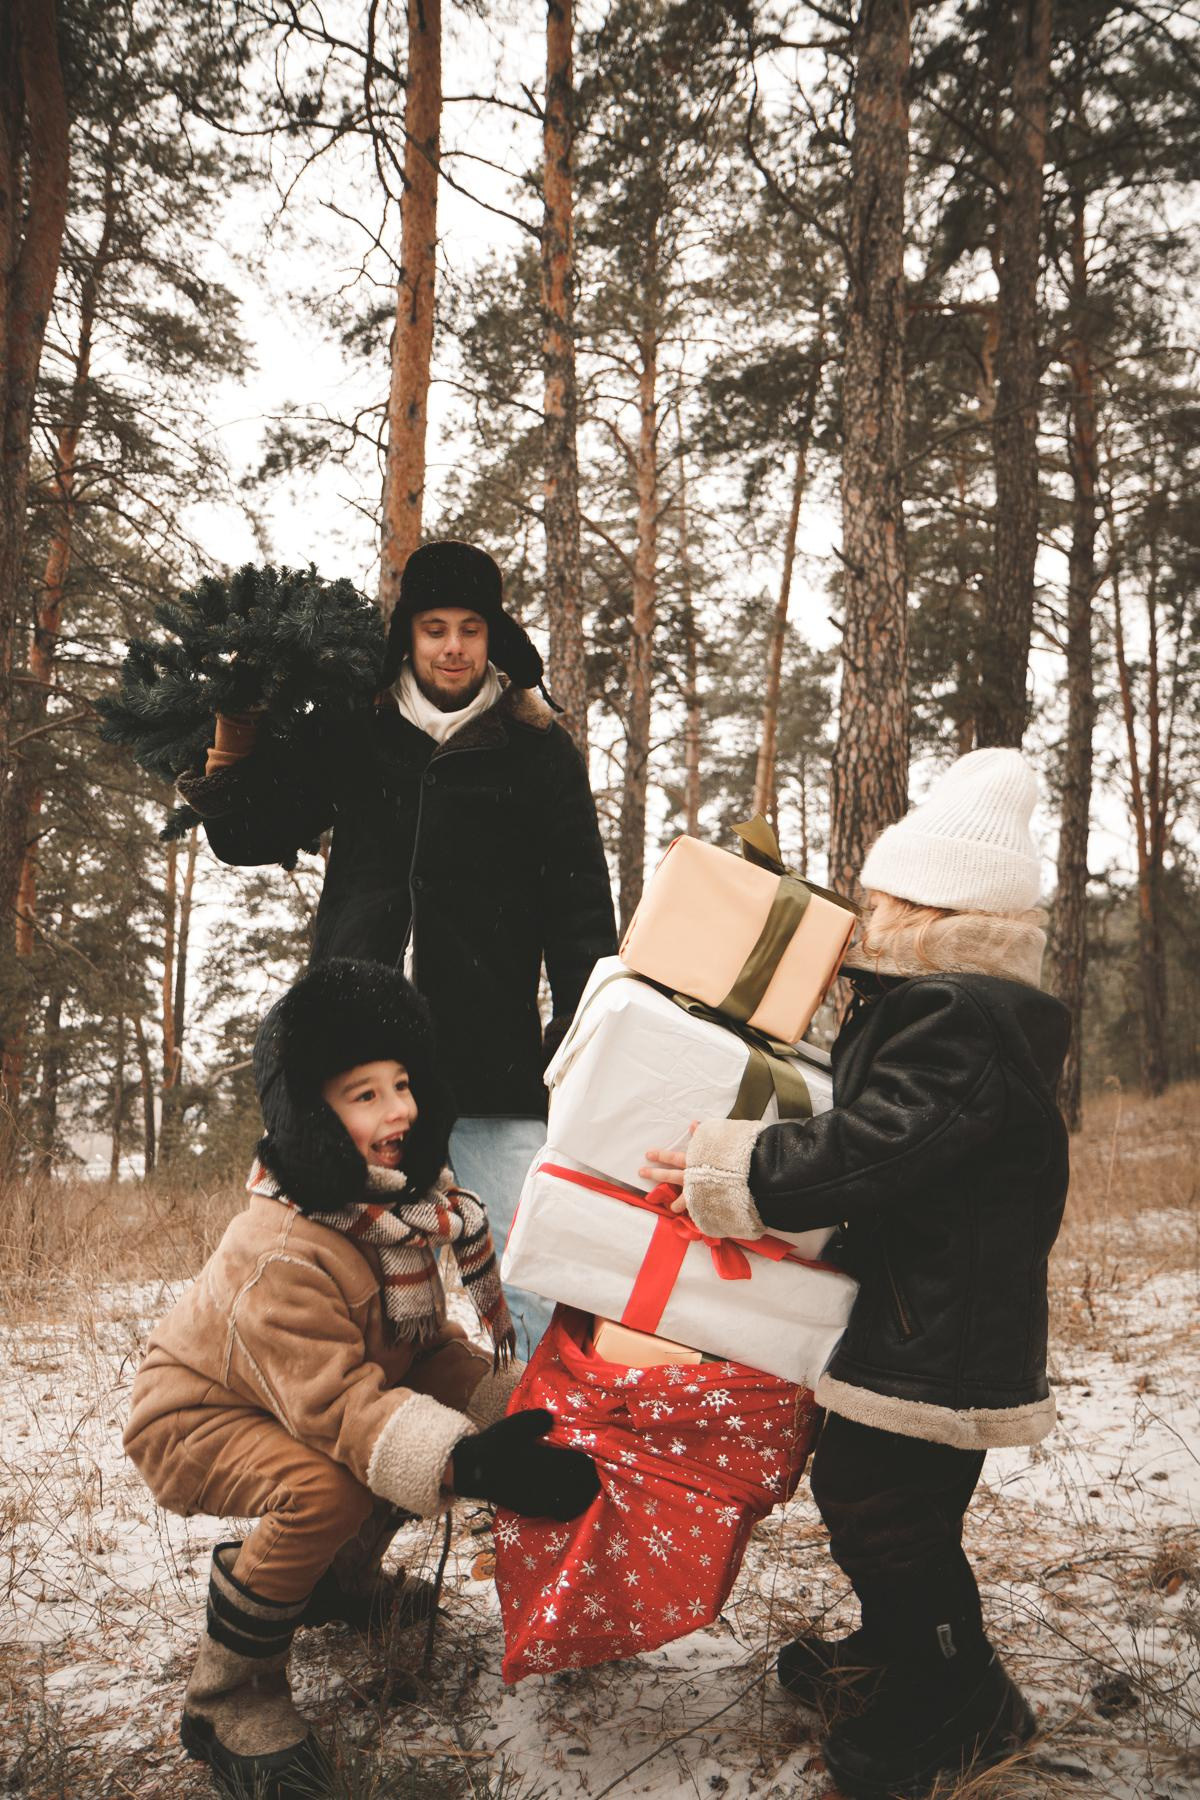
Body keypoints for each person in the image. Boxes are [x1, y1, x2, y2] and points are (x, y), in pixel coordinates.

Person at [641, 749, 1069, 1800]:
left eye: (882, 895)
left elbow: (877, 1145)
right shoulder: (945, 1006)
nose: (864, 910)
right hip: (927, 1312)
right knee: (887, 1497)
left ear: (934, 908)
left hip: (943, 1332)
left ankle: (962, 1697)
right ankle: (899, 1643)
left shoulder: (960, 1016)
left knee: (883, 1504)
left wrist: (734, 1166)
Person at [124, 959, 599, 1800]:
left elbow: (422, 1353)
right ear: (312, 1116)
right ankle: (230, 1695)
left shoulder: (388, 1220)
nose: (400, 1111)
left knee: (404, 1437)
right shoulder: (282, 1251)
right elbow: (344, 1410)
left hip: (300, 1398)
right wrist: (479, 1466)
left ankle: (337, 1584)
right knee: (330, 1484)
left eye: (404, 1084)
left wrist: (520, 1402)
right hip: (196, 1413)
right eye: (364, 1094)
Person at [179, 541, 617, 1350]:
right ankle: (370, 1433)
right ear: (409, 636)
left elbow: (581, 913)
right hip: (357, 1051)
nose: (453, 647)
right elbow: (246, 836)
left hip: (492, 1057)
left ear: (494, 636)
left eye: (470, 628)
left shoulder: (536, 749)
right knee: (341, 1270)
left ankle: (549, 1438)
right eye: (434, 628)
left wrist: (575, 1041)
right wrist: (235, 726)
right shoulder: (360, 730)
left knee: (533, 1268)